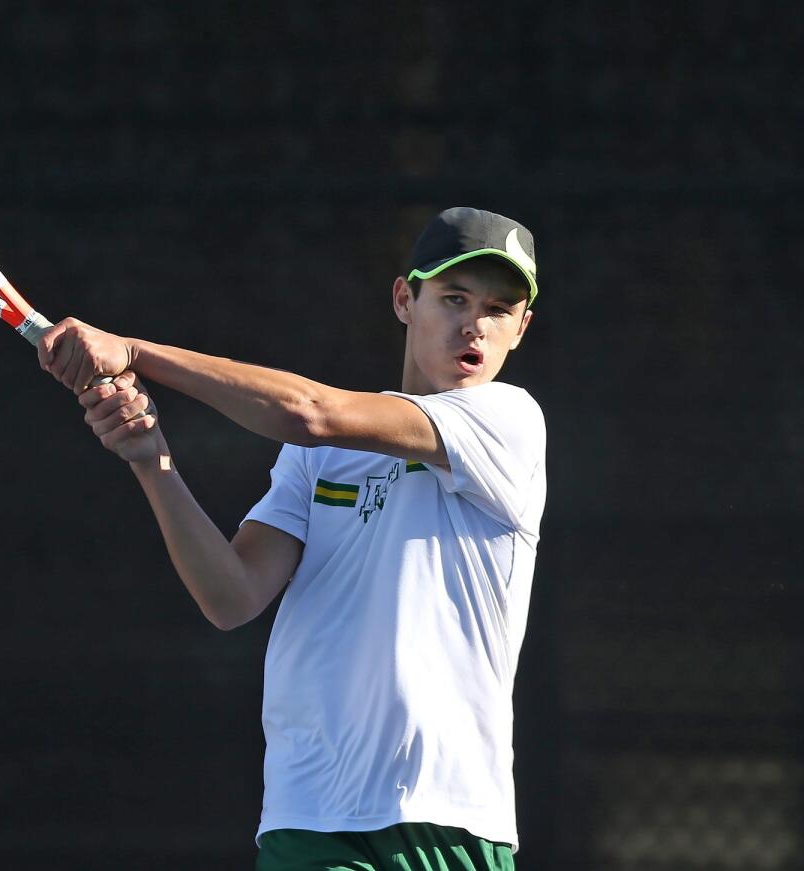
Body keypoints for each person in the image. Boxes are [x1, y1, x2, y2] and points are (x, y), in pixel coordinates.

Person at [36, 207, 545, 871]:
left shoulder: (509, 422)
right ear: (404, 299)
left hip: (447, 823)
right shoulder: (319, 458)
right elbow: (232, 594)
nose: (474, 324)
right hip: (308, 817)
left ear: (520, 328)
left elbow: (311, 412)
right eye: (453, 298)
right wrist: (149, 456)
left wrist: (135, 352)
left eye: (498, 309)